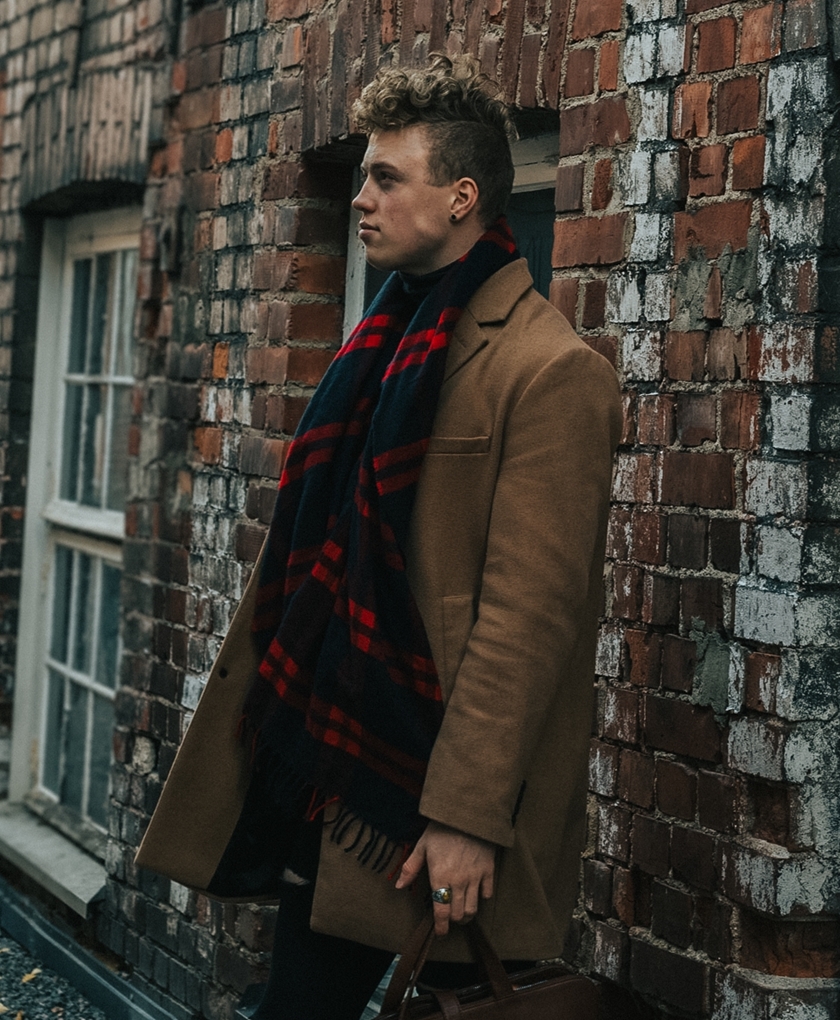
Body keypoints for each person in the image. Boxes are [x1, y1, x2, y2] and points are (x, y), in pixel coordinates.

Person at [136, 54, 622, 1020]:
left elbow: (527, 623)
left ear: (462, 197)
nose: (361, 198)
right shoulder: (381, 341)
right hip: (337, 765)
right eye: (363, 175)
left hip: (432, 797)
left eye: (387, 177)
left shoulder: (551, 370)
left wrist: (466, 818)